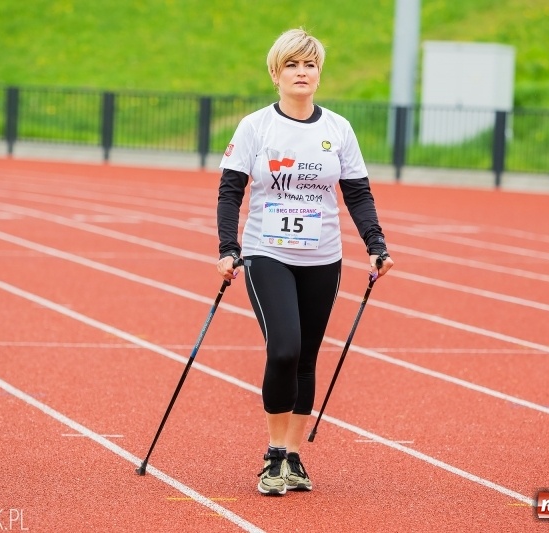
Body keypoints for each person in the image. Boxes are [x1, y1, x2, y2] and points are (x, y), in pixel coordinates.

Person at [216, 28, 394, 496]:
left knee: (307, 357)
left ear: (319, 74)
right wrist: (227, 248)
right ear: (275, 75)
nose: (301, 72)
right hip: (266, 252)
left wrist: (375, 243)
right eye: (291, 65)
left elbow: (357, 193)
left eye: (309, 65)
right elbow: (230, 192)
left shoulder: (338, 129)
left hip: (323, 257)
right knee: (284, 349)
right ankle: (273, 455)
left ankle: (293, 458)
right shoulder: (256, 127)